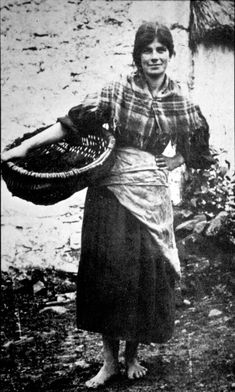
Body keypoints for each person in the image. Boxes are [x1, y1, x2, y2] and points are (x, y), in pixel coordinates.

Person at [1, 22, 213, 389]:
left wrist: (175, 161)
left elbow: (198, 147)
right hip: (110, 192)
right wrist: (26, 147)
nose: (154, 57)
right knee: (108, 274)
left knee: (143, 276)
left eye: (161, 49)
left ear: (170, 55)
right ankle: (108, 361)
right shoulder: (116, 92)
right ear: (138, 56)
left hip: (150, 194)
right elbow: (71, 124)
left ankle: (132, 357)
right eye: (147, 50)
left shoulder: (181, 102)